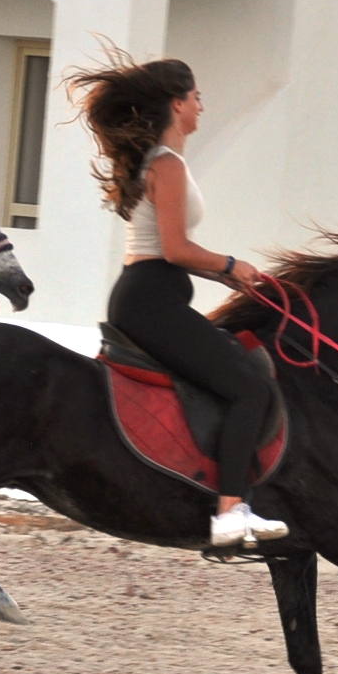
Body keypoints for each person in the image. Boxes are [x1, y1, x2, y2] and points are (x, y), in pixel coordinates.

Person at [74, 56, 288, 548]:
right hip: (151, 302)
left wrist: (228, 277)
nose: (202, 106)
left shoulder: (160, 161)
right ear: (176, 104)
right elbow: (174, 249)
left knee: (236, 372)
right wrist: (230, 265)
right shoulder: (166, 165)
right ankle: (230, 512)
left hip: (150, 294)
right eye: (196, 98)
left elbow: (165, 251)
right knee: (249, 389)